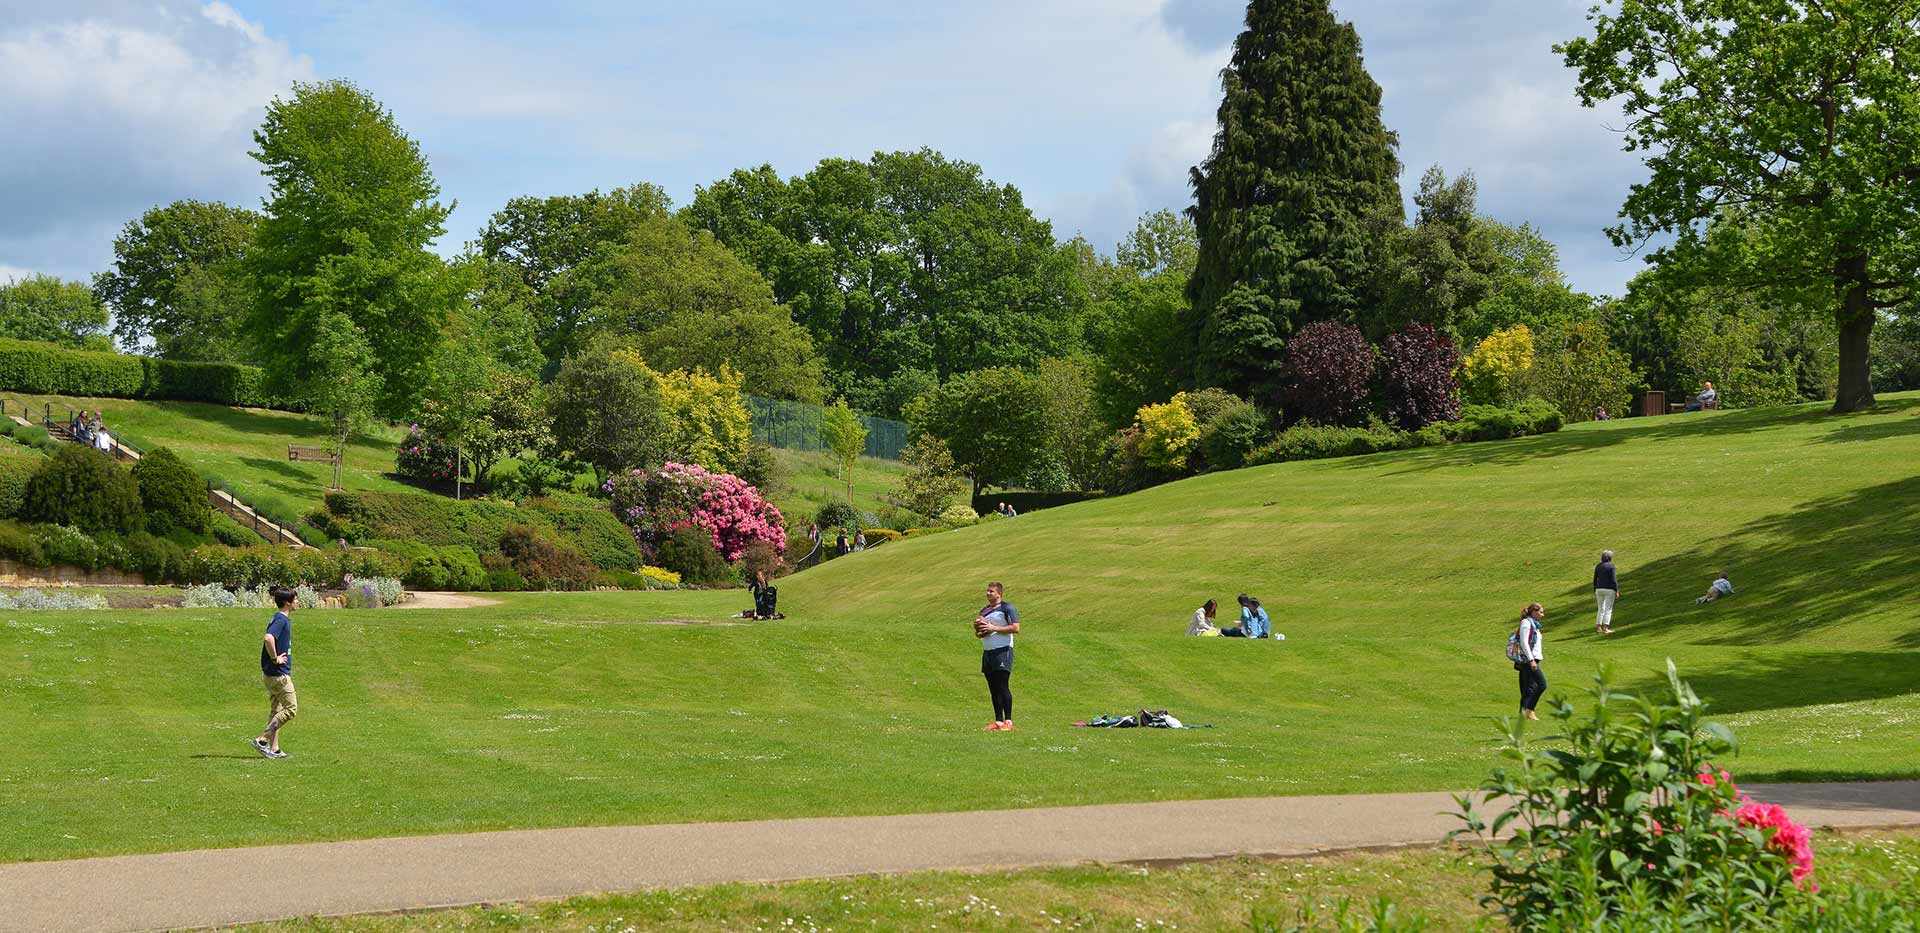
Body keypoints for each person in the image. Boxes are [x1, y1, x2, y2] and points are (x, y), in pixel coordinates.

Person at [252, 587, 300, 759]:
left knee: (276, 711)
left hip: (270, 675)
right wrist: (275, 659)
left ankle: (274, 749)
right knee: (291, 709)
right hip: (278, 675)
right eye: (295, 599)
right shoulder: (281, 620)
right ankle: (262, 739)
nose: (297, 602)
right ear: (288, 602)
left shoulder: (278, 618)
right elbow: (268, 638)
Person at [974, 581, 1020, 731]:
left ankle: (1008, 721)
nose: (988, 593)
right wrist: (980, 630)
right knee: (993, 688)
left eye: (991, 591)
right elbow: (979, 633)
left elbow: (1015, 628)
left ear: (999, 594)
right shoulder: (984, 610)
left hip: (1003, 650)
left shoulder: (1008, 608)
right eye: (987, 591)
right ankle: (998, 721)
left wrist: (993, 627)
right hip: (988, 652)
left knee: (1002, 685)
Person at [1513, 603, 1547, 721]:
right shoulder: (1526, 623)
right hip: (1529, 660)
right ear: (1533, 612)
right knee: (1542, 684)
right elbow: (1524, 642)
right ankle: (1530, 710)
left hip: (1533, 658)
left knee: (1528, 687)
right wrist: (1531, 660)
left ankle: (1523, 712)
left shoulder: (1534, 625)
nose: (1543, 615)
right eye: (1541, 612)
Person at [1593, 550, 1620, 635]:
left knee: (1601, 608)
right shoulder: (1611, 566)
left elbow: (1594, 579)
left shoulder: (1598, 566)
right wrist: (1616, 590)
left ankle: (1598, 627)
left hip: (1599, 589)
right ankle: (1605, 628)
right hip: (1609, 590)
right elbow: (1613, 580)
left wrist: (1595, 589)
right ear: (1610, 558)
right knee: (1608, 609)